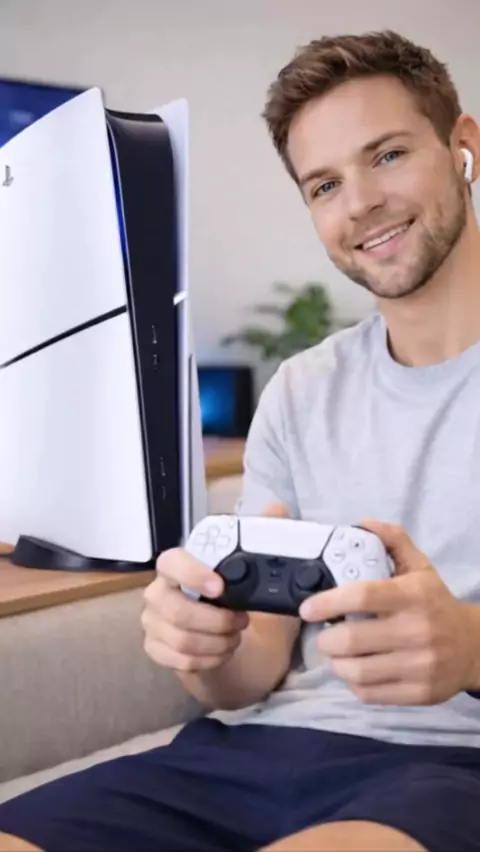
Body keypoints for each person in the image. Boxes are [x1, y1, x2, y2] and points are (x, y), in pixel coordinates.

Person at [2, 27, 480, 852]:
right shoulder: (301, 390)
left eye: (389, 155)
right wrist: (204, 647)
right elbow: (253, 666)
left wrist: (470, 648)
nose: (360, 203)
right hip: (251, 754)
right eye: (325, 184)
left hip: (453, 769)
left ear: (464, 147)